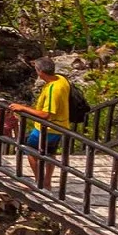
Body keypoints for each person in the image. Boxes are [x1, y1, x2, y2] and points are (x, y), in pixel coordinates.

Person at [11, 57, 72, 185]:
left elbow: (45, 115)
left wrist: (23, 108)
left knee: (30, 151)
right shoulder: (61, 79)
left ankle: (40, 181)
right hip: (61, 125)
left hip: (47, 128)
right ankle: (47, 182)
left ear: (41, 72)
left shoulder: (52, 90)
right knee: (50, 153)